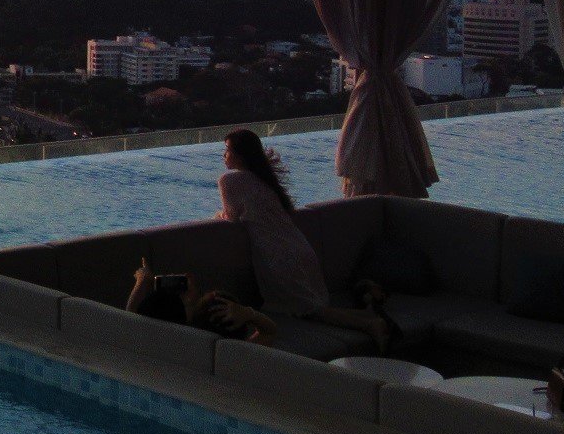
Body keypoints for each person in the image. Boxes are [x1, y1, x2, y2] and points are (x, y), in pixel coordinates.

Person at [216, 127, 395, 352]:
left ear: (241, 155)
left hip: (277, 254)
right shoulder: (264, 179)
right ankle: (368, 316)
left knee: (310, 311)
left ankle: (371, 324)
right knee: (310, 307)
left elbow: (232, 217)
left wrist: (219, 216)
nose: (224, 155)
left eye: (228, 150)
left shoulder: (230, 180)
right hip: (299, 247)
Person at [126, 259, 278, 346]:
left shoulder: (172, 343)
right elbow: (270, 331)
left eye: (202, 295)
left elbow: (129, 321)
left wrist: (142, 280)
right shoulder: (235, 357)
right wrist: (249, 313)